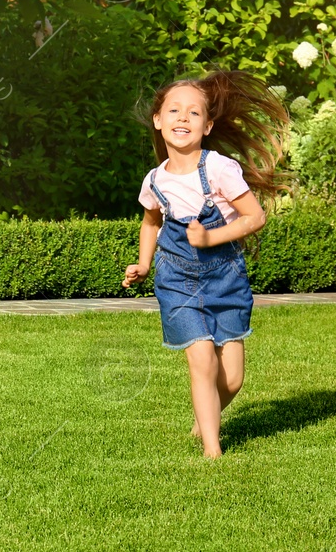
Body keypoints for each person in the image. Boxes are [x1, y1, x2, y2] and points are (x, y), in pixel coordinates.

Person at [122, 72, 290, 459]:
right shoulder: (155, 180)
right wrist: (144, 264)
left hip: (225, 278)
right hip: (176, 277)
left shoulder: (218, 168)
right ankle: (213, 452)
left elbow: (255, 217)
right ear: (158, 120)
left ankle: (205, 419)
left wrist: (211, 237)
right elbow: (151, 221)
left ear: (208, 125)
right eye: (174, 110)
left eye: (194, 112)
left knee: (231, 379)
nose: (183, 118)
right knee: (200, 358)